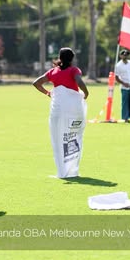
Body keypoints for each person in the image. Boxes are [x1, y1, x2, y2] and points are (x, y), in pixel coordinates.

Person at [32, 48, 90, 178]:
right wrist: (86, 93)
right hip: (73, 111)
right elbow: (79, 82)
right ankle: (72, 169)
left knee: (58, 139)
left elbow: (36, 83)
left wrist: (48, 93)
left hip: (58, 112)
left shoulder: (53, 72)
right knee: (73, 137)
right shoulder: (74, 70)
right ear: (72, 59)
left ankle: (62, 171)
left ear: (60, 58)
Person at [114, 49, 130, 123]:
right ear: (120, 56)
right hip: (124, 87)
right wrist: (123, 83)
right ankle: (125, 118)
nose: (125, 56)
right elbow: (116, 78)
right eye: (123, 54)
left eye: (126, 54)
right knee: (125, 103)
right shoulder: (118, 65)